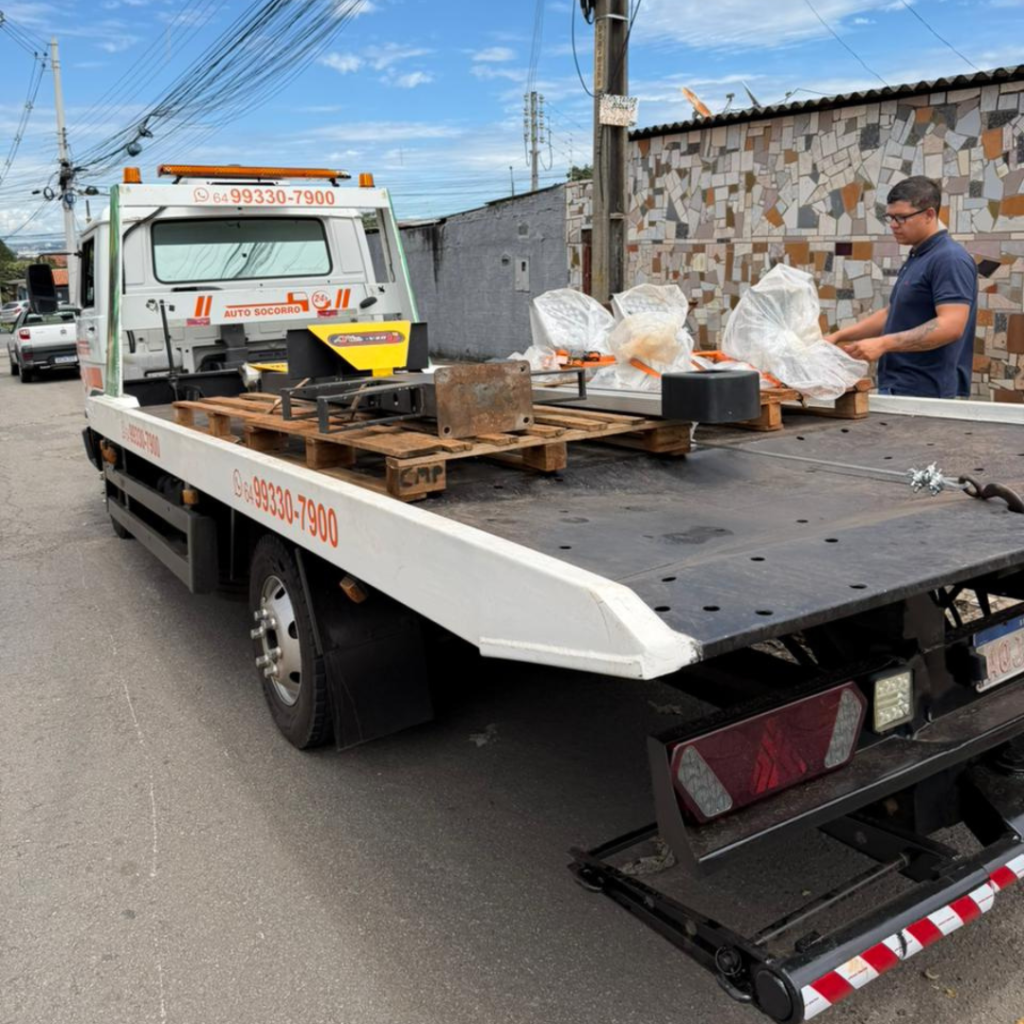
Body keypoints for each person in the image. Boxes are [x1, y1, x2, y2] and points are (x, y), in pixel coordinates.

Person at [824, 176, 977, 399]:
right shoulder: (919, 256)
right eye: (890, 218)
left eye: (902, 218)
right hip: (899, 386)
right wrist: (838, 336)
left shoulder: (949, 258)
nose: (894, 225)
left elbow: (951, 325)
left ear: (929, 214)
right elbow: (892, 313)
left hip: (928, 394)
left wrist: (884, 343)